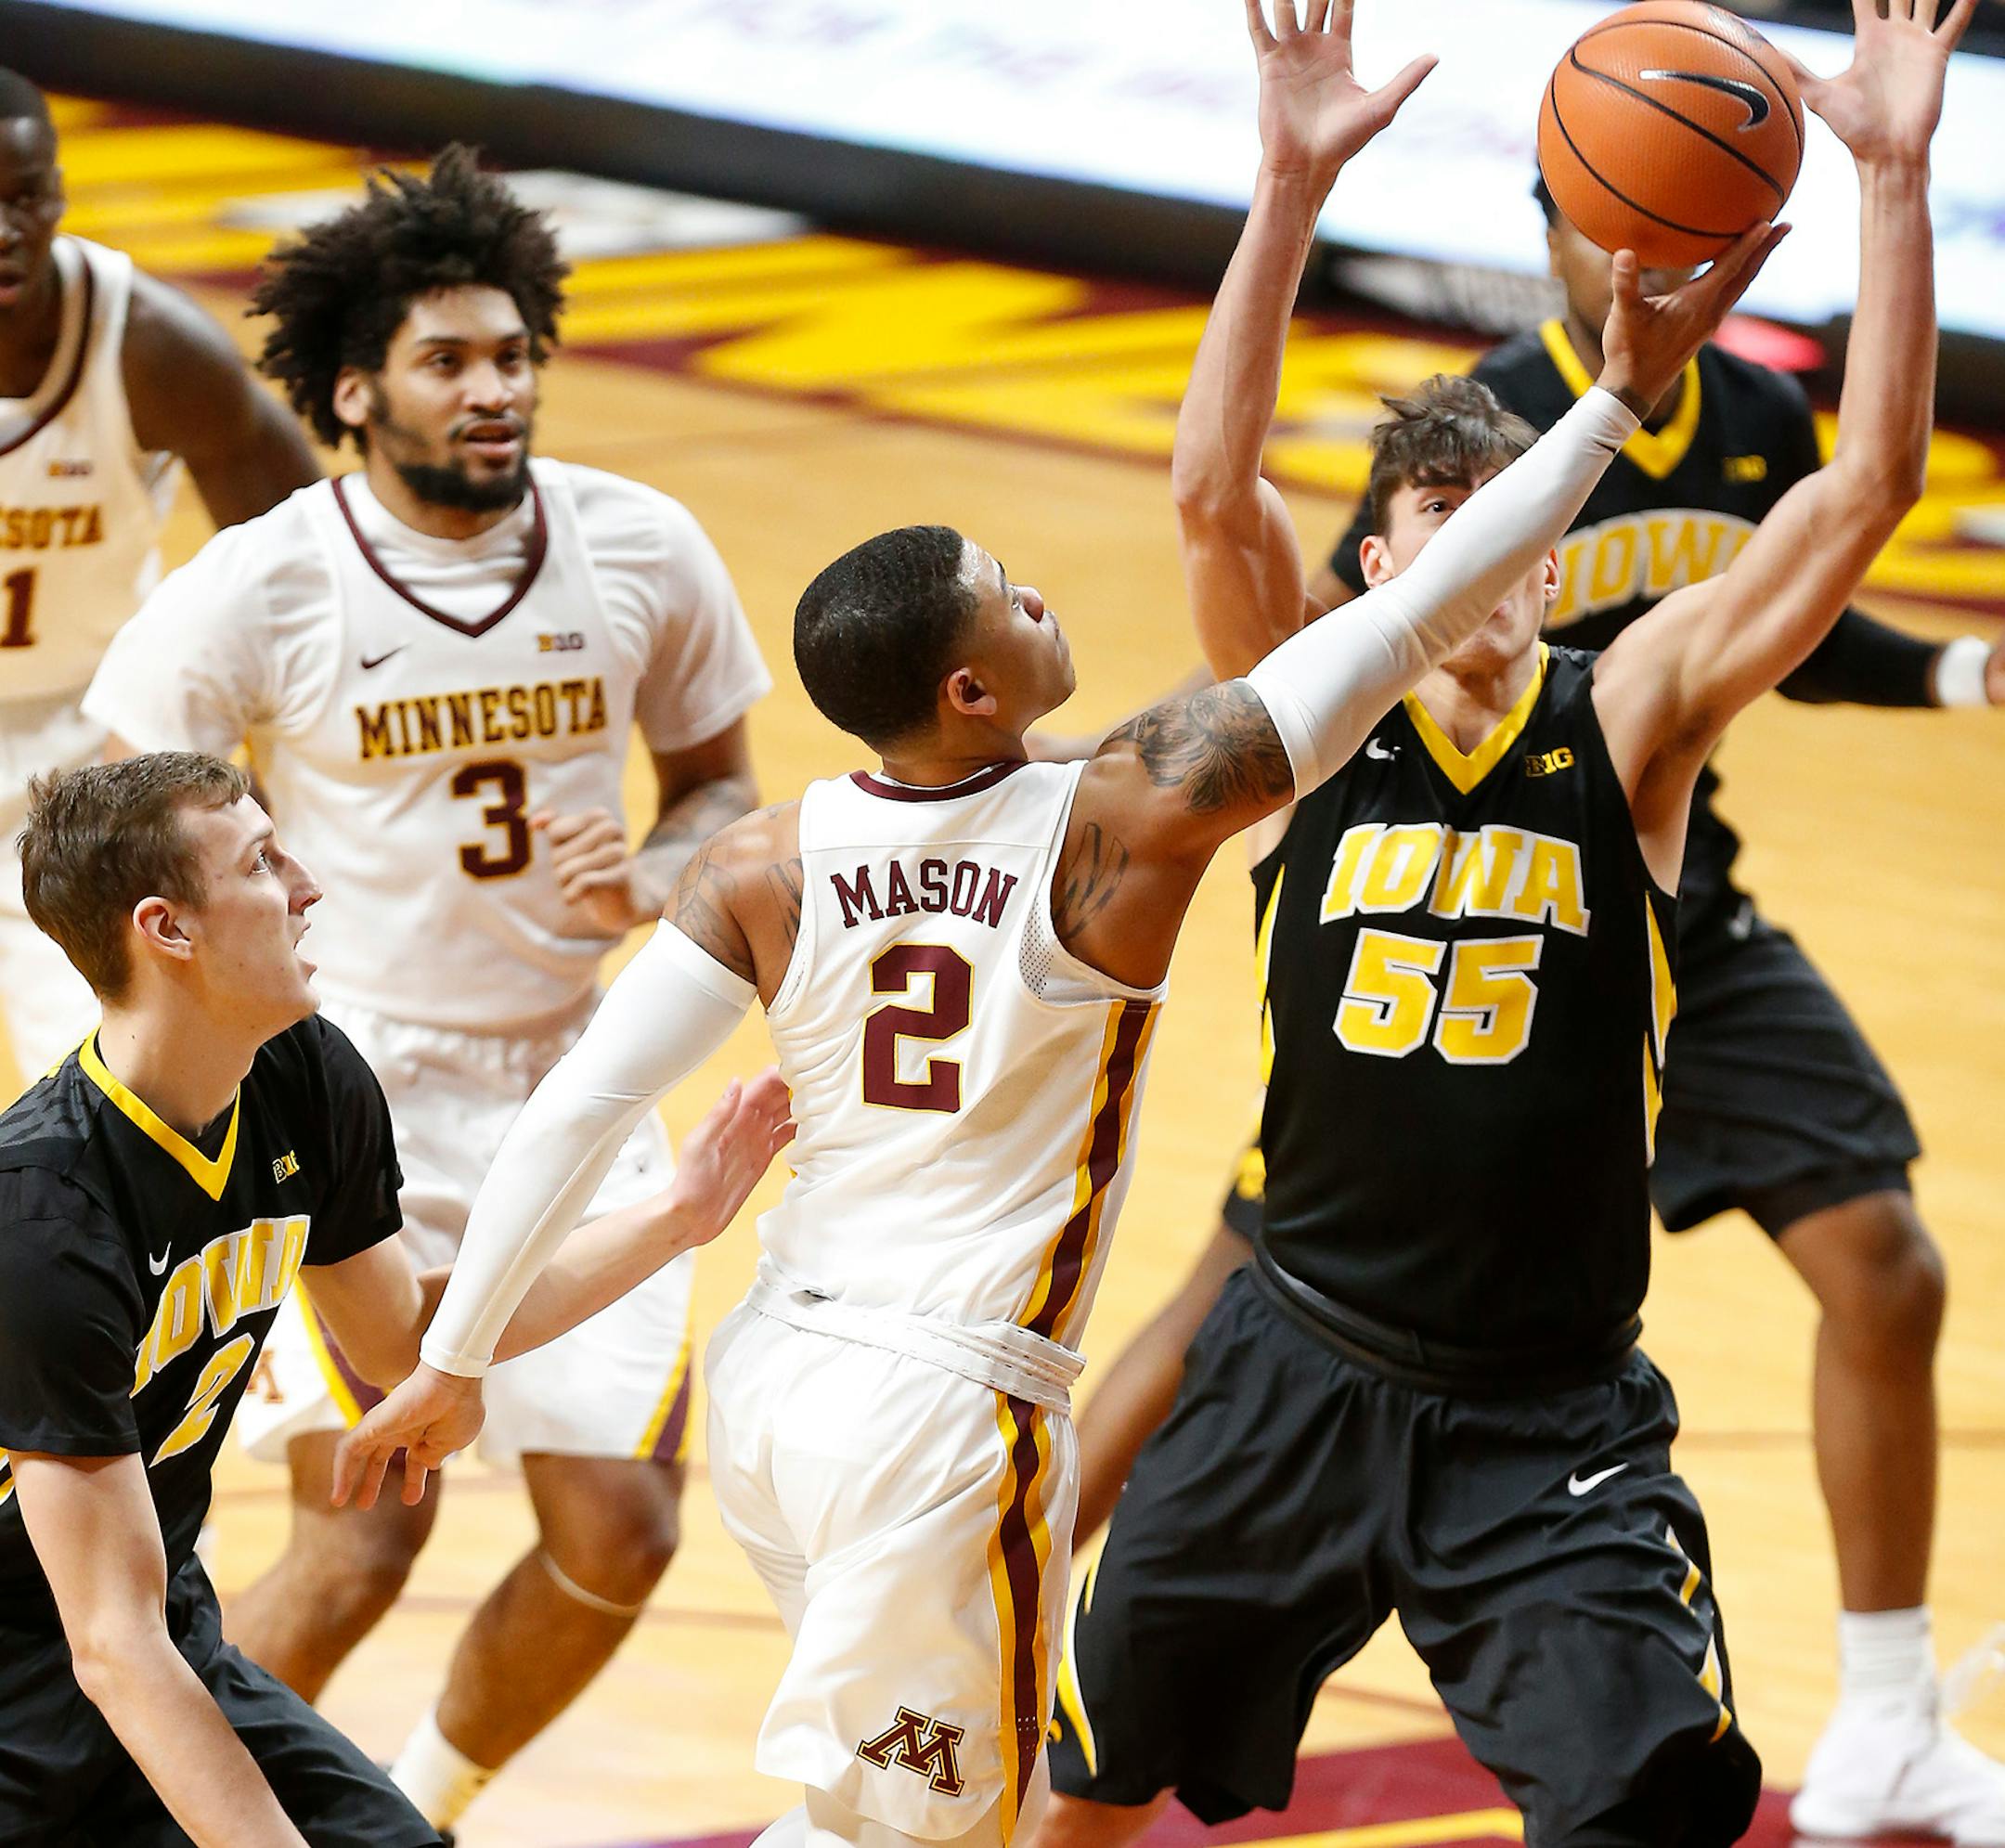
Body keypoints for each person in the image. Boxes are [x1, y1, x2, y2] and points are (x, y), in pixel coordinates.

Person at [324, 13, 1783, 1848]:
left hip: (782, 1375)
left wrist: (458, 1353)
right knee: (946, 1828)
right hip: (947, 1410)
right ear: (970, 684)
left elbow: (569, 1114)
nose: (1042, 590)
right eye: (1011, 597)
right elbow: (1400, 626)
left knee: (869, 1803)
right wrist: (1611, 406)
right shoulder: (1126, 814)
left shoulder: (765, 859)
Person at [1031, 5, 1964, 1848]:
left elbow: (1865, 495)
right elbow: (1215, 490)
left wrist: (1893, 173)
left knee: (1642, 1803)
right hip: (1294, 1365)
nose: (1473, 551)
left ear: (1556, 551)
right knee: (1099, 1778)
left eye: (1506, 518)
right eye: (1429, 519)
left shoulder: (1630, 727)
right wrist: (1288, 182)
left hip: (1548, 1416)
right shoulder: (1303, 730)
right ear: (1376, 566)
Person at [79, 146, 771, 1837]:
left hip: (575, 1074)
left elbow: (722, 784)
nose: (493, 390)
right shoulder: (267, 578)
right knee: (369, 1524)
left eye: (514, 354)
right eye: (449, 360)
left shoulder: (641, 545)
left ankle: (423, 1805)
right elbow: (116, 831)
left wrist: (679, 859)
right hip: (343, 1084)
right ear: (352, 386)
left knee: (623, 1534)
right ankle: (128, 1821)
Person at [0, 753, 791, 1847]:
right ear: (167, 928)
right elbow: (110, 1641)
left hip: (163, 1651)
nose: (310, 882)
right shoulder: (42, 1219)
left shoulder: (303, 1077)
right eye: (264, 862)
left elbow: (413, 1337)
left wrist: (673, 1216)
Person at [0, 69, 319, 1092]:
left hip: (82, 755)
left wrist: (288, 759)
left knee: (115, 1097)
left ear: (57, 189)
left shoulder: (147, 346)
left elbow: (301, 556)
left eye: (24, 195)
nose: (6, 228)